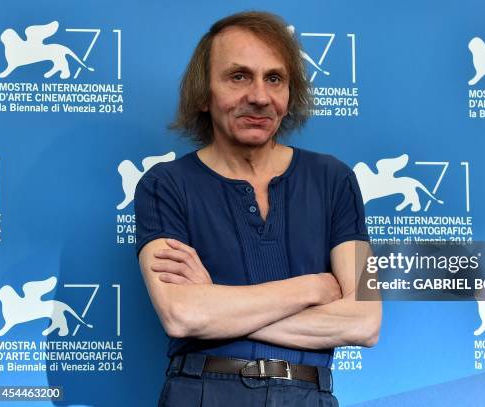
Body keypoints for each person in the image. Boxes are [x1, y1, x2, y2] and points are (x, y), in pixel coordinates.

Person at [134, 11, 381, 407]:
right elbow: (183, 316)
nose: (260, 97)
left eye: (274, 79)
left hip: (308, 395)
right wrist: (312, 288)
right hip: (202, 393)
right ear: (203, 93)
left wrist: (216, 302)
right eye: (238, 77)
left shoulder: (335, 179)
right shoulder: (164, 185)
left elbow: (365, 321)